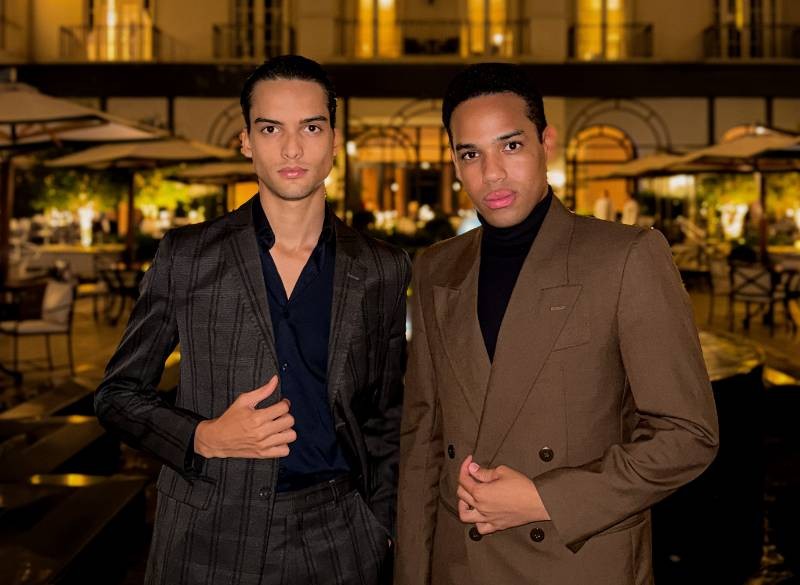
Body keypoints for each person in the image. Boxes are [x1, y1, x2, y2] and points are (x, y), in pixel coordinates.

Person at [395, 63, 718, 585]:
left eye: (511, 146)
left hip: (575, 560)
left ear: (547, 142)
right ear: (454, 161)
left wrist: (545, 498)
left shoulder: (624, 256)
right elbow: (422, 445)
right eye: (470, 154)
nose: (492, 173)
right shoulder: (436, 267)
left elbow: (688, 435)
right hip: (461, 565)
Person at [96, 55, 410, 585]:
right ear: (246, 140)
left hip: (339, 537)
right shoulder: (187, 256)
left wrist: (380, 526)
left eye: (311, 127)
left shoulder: (382, 267)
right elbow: (117, 395)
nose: (292, 149)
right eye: (270, 129)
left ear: (335, 139)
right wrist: (202, 437)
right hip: (207, 535)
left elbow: (387, 416)